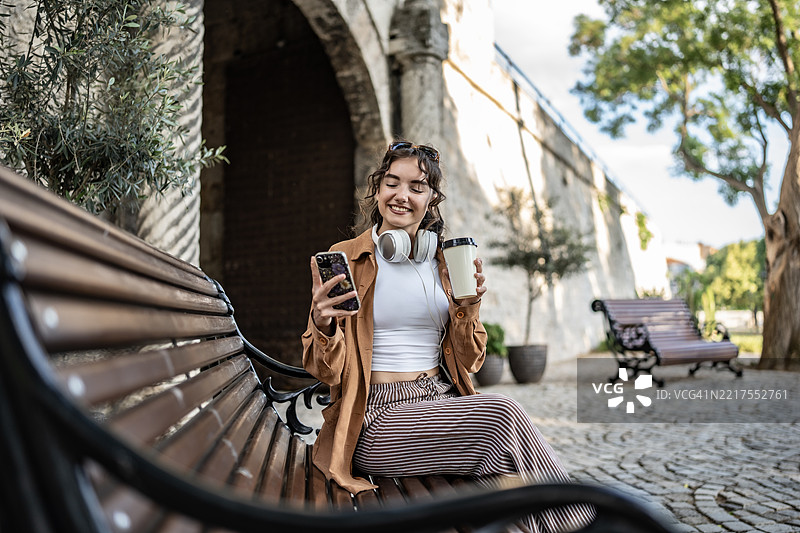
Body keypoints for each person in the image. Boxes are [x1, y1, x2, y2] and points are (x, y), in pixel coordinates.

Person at [302, 141, 595, 532]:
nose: (402, 195)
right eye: (392, 182)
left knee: (505, 486)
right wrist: (322, 323)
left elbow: (472, 360)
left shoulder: (442, 259)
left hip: (442, 403)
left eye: (416, 187)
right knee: (503, 415)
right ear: (378, 189)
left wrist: (467, 308)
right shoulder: (348, 257)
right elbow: (325, 372)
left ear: (431, 199)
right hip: (375, 417)